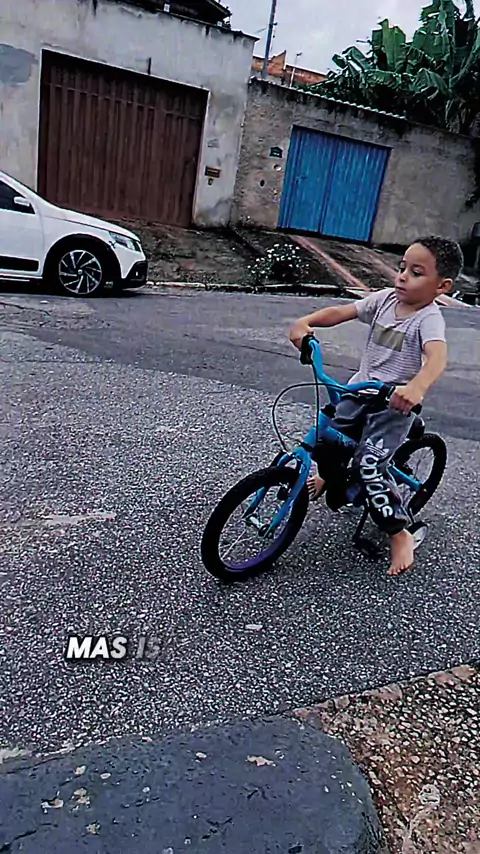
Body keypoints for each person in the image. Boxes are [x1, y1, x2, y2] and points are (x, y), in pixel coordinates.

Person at [289, 235, 463, 577]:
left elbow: (437, 356)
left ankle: (399, 533)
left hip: (394, 406)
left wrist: (416, 386)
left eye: (416, 273)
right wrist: (306, 323)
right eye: (402, 268)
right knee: (328, 440)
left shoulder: (428, 319)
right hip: (361, 391)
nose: (402, 277)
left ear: (442, 286)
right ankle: (327, 476)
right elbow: (342, 312)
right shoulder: (384, 300)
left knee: (369, 465)